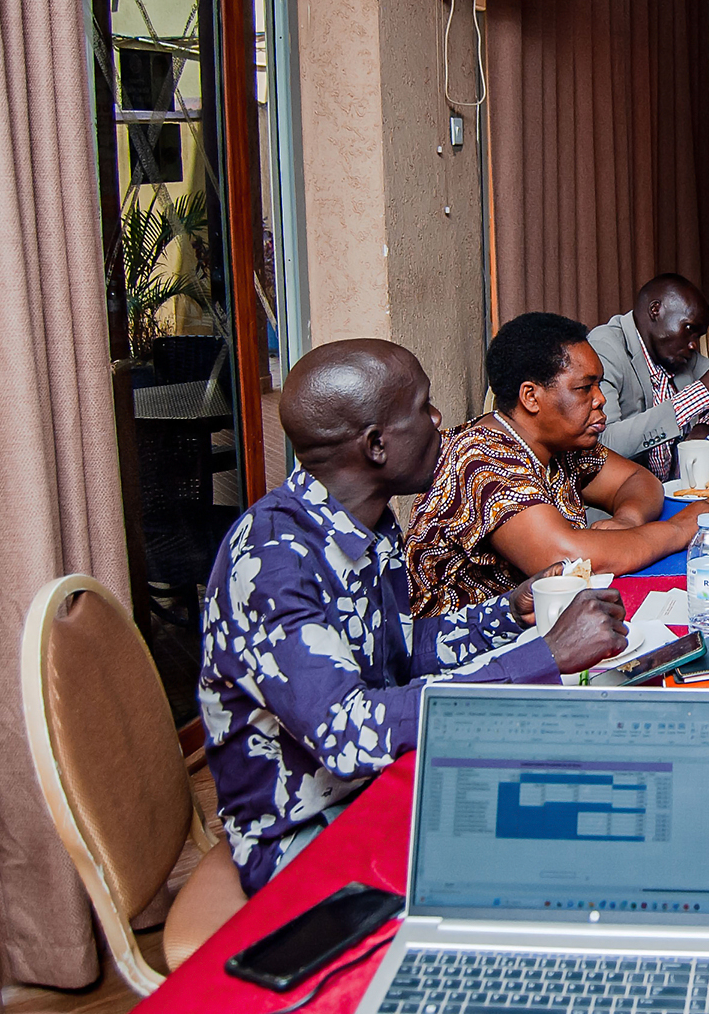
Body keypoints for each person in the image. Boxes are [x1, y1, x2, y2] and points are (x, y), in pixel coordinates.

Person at [199, 338, 629, 895]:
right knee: (562, 849)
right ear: (377, 445)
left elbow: (399, 650)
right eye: (424, 407)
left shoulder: (366, 524)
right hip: (309, 837)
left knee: (586, 787)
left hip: (391, 782)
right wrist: (544, 657)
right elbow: (350, 732)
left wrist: (507, 613)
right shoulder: (273, 562)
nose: (439, 419)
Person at [406, 312, 709, 619]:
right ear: (531, 397)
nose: (600, 399)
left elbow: (636, 479)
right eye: (585, 388)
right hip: (459, 650)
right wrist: (680, 529)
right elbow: (565, 555)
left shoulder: (556, 442)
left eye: (598, 385)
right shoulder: (483, 460)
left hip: (543, 626)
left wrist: (627, 520)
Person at [587, 274, 709, 479]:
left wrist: (704, 426)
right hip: (630, 491)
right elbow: (603, 443)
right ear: (656, 310)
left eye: (698, 336)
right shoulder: (605, 348)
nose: (693, 345)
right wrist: (699, 395)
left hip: (677, 486)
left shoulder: (677, 354)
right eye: (688, 329)